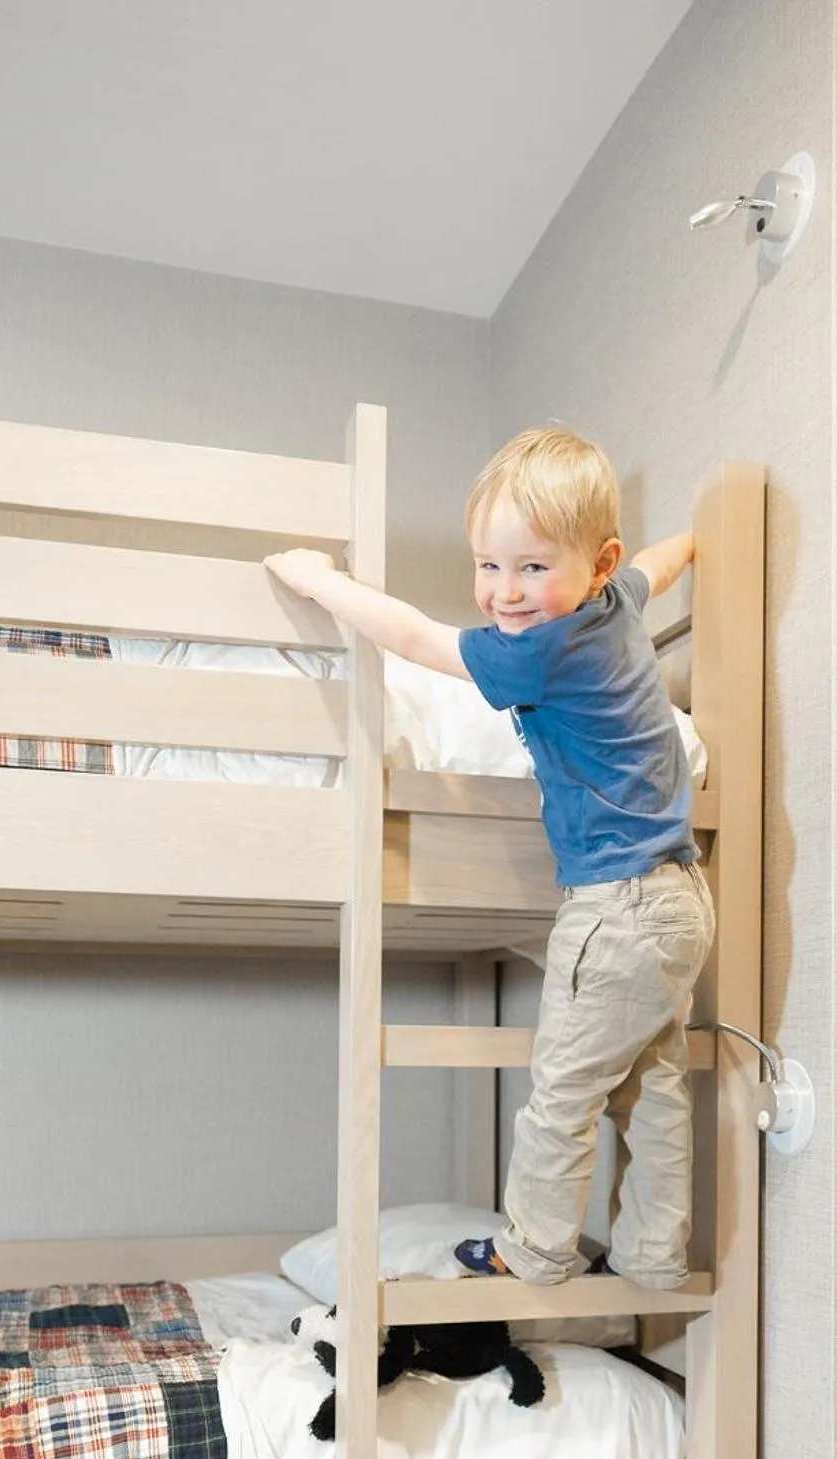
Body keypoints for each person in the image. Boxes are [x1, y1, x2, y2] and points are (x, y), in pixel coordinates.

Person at [265, 425, 714, 1289]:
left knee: (562, 1091)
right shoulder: (614, 604)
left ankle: (535, 1248)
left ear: (593, 561)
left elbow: (413, 639)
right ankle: (653, 1257)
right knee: (651, 1088)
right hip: (678, 899)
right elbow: (653, 569)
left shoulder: (541, 651)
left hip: (613, 905)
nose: (504, 594)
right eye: (488, 565)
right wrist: (697, 544)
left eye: (532, 568)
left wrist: (322, 582)